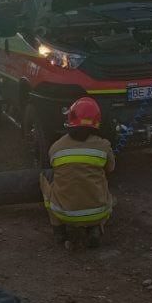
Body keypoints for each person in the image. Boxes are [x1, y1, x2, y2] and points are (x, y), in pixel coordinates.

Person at [38, 97, 115, 251]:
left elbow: (55, 169)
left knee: (44, 178)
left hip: (65, 214)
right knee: (102, 180)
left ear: (70, 119)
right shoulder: (104, 146)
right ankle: (95, 228)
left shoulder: (56, 147)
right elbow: (110, 169)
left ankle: (58, 230)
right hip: (99, 213)